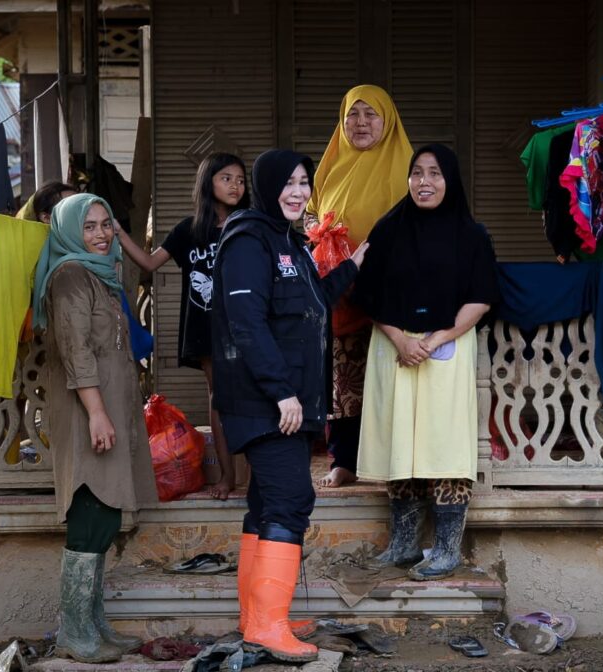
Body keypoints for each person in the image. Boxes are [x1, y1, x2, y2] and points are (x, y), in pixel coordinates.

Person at [212, 150, 367, 662]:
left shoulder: (288, 242)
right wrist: (281, 391)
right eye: (290, 183)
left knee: (266, 505)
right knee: (290, 500)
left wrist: (354, 264)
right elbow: (247, 322)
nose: (298, 192)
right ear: (268, 185)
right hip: (266, 401)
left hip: (287, 401)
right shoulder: (248, 239)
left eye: (305, 183)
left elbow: (312, 303)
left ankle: (258, 616)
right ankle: (269, 625)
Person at [353, 144, 498, 581]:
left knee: (443, 445)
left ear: (449, 180)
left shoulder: (471, 236)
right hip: (393, 348)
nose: (424, 182)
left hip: (446, 350)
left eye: (434, 173)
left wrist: (439, 337)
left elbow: (481, 296)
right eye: (417, 173)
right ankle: (403, 544)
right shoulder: (389, 229)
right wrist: (400, 337)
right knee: (401, 444)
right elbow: (367, 294)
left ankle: (448, 549)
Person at [32, 193, 157, 663]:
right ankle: (73, 630)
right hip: (87, 410)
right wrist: (98, 413)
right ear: (67, 232)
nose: (102, 234)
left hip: (110, 405)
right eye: (89, 227)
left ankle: (93, 623)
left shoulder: (101, 274)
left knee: (105, 515)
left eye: (106, 224)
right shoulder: (68, 277)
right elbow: (76, 351)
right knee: (90, 511)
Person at [115, 153, 249, 499]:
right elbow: (148, 262)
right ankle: (226, 477)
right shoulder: (188, 231)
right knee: (218, 397)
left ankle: (257, 475)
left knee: (253, 397)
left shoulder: (250, 225)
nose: (235, 185)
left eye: (240, 179)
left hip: (249, 326)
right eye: (226, 178)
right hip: (207, 327)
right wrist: (117, 231)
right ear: (208, 183)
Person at [307, 84, 413, 488]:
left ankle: (392, 460)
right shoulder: (329, 167)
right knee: (343, 380)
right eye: (354, 114)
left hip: (392, 290)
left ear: (387, 121)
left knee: (391, 374)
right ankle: (345, 460)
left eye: (371, 114)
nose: (361, 122)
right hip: (341, 292)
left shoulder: (408, 166)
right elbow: (311, 216)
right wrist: (323, 238)